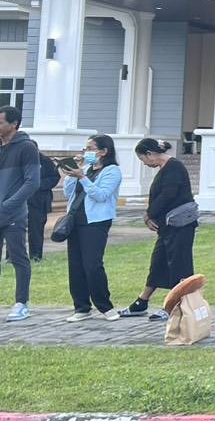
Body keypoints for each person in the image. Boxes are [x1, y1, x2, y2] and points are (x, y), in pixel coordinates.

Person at [121, 138, 198, 319]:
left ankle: (174, 306)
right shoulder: (165, 168)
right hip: (167, 227)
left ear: (149, 154)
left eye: (143, 160)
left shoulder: (174, 167)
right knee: (158, 263)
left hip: (180, 225)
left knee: (179, 265)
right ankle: (142, 301)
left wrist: (149, 214)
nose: (145, 164)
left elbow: (168, 195)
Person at [58, 134, 122, 322]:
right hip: (75, 219)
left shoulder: (112, 171)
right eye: (85, 149)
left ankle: (105, 306)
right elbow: (69, 193)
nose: (86, 152)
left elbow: (101, 195)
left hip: (96, 222)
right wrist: (73, 174)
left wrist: (83, 178)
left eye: (91, 149)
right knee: (75, 265)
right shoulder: (85, 169)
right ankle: (81, 306)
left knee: (92, 264)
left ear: (103, 151)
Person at [0, 106, 39, 322]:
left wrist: (8, 205)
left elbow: (32, 182)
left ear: (14, 124)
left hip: (13, 214)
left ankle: (21, 303)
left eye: (1, 122)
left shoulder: (26, 147)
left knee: (18, 257)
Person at [28, 150, 59, 263]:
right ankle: (11, 256)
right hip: (20, 200)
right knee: (14, 230)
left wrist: (38, 185)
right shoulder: (18, 160)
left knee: (36, 230)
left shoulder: (45, 161)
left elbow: (55, 177)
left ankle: (36, 255)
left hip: (38, 201)